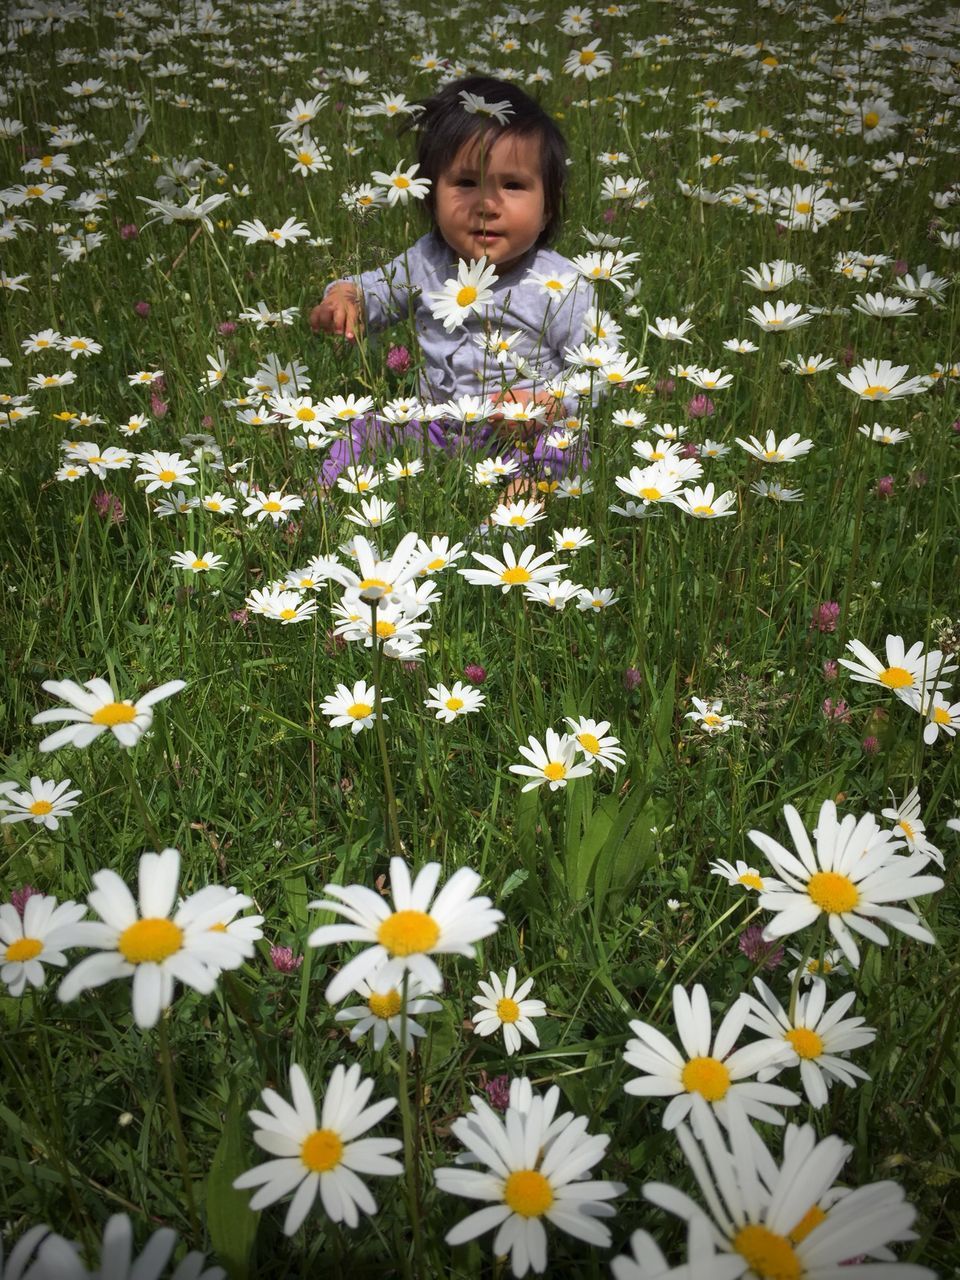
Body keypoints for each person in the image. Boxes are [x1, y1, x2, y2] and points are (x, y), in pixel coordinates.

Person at [309, 75, 591, 487]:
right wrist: (345, 297)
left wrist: (547, 405)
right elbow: (375, 289)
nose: (487, 204)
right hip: (435, 429)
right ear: (430, 195)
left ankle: (512, 517)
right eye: (465, 183)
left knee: (567, 448)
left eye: (513, 185)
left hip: (521, 435)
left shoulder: (561, 284)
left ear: (549, 206)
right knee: (364, 429)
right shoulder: (428, 260)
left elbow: (599, 371)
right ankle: (314, 508)